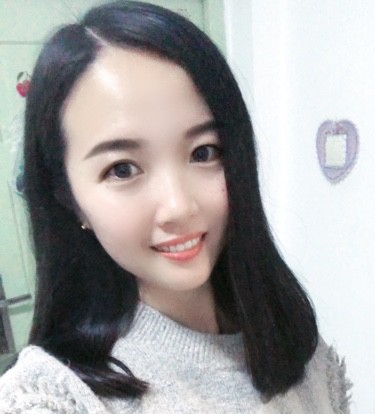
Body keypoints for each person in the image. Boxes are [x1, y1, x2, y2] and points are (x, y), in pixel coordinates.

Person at [0, 1, 351, 413]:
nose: (179, 207)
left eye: (204, 152)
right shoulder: (53, 397)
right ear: (69, 198)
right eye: (123, 169)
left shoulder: (303, 352)